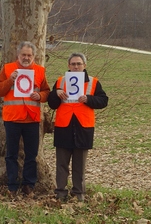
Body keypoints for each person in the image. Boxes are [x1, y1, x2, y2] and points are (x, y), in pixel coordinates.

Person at [48, 52, 108, 202]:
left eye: (78, 64)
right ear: (68, 66)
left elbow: (103, 101)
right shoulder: (60, 81)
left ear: (84, 66)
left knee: (79, 165)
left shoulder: (94, 82)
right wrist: (56, 93)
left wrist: (89, 99)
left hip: (83, 128)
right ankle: (60, 193)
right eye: (73, 64)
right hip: (63, 127)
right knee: (61, 164)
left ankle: (78, 194)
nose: (76, 66)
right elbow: (52, 104)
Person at [0, 41, 50, 197]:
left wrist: (40, 96)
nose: (26, 57)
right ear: (18, 55)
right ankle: (12, 185)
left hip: (32, 119)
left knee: (31, 155)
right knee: (11, 154)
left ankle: (28, 185)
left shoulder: (40, 71)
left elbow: (46, 92)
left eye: (29, 55)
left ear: (34, 56)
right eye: (23, 55)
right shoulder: (8, 69)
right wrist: (10, 80)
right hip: (12, 119)